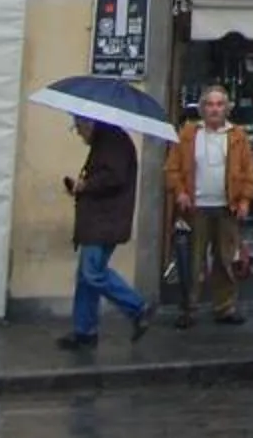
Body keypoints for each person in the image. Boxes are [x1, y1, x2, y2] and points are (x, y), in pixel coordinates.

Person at [163, 86, 253, 328]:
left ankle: (225, 307)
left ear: (227, 108)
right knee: (192, 262)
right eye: (210, 104)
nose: (214, 109)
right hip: (196, 208)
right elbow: (172, 169)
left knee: (225, 260)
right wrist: (180, 192)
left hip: (227, 207)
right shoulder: (188, 134)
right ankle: (189, 308)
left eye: (219, 104)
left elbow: (250, 172)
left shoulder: (238, 136)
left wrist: (245, 200)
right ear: (202, 108)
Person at [55, 116, 154, 349]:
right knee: (86, 276)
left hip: (105, 220)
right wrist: (82, 185)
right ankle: (85, 331)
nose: (79, 134)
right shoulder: (107, 140)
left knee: (92, 273)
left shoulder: (112, 140)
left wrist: (85, 185)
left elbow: (114, 177)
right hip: (100, 219)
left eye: (78, 127)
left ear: (89, 123)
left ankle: (138, 307)